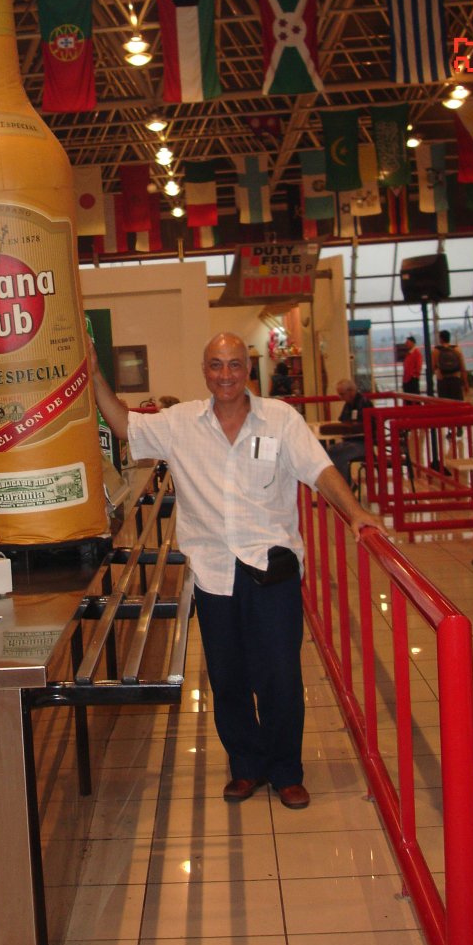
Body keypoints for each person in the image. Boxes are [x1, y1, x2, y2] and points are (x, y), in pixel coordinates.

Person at [89, 332, 387, 810]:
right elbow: (124, 425)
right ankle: (246, 766)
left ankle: (286, 770)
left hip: (272, 570)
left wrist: (355, 513)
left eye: (233, 365)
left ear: (247, 370)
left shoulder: (281, 420)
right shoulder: (181, 423)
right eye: (215, 365)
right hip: (213, 574)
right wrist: (94, 372)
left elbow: (320, 470)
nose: (225, 375)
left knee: (280, 677)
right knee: (227, 679)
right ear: (204, 371)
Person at [325, 378, 373, 485]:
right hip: (350, 442)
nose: (340, 397)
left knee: (338, 456)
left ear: (351, 391)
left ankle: (346, 485)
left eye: (342, 394)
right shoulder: (348, 404)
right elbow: (342, 420)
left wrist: (349, 427)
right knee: (329, 451)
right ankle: (347, 483)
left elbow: (364, 426)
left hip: (363, 444)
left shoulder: (364, 403)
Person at [431, 330, 466, 401]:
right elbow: (462, 368)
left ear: (441, 339)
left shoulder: (436, 351)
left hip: (442, 381)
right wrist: (465, 383)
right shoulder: (456, 349)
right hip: (455, 380)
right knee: (457, 403)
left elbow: (433, 367)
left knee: (444, 404)